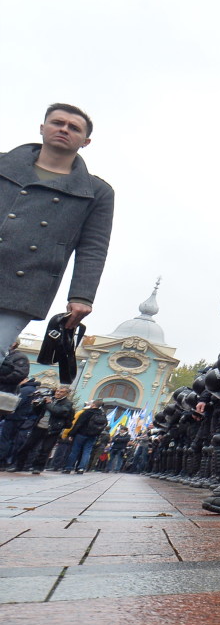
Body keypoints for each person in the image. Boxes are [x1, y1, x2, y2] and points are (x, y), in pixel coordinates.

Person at [0, 104, 114, 351]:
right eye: (57, 123)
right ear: (42, 128)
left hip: (24, 284)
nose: (64, 129)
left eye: (73, 128)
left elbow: (93, 248)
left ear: (86, 141)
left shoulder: (97, 192)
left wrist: (81, 296)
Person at [63, 398, 108, 474]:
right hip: (93, 435)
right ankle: (81, 468)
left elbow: (78, 423)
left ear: (93, 404)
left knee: (75, 451)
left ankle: (68, 467)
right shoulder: (102, 414)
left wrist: (71, 434)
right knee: (87, 451)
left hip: (81, 434)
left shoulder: (87, 412)